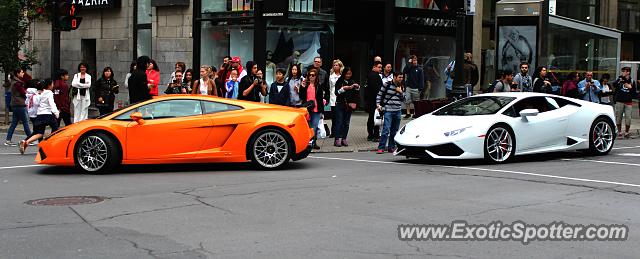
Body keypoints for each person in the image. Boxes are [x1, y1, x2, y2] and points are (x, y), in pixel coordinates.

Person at [19, 79, 59, 155]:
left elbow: (36, 103)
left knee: (40, 133)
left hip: (39, 114)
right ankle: (49, 144)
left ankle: (26, 142)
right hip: (47, 114)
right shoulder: (49, 93)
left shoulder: (38, 94)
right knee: (55, 129)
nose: (53, 85)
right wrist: (56, 112)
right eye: (52, 84)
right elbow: (52, 103)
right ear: (49, 85)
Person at [299, 68, 329, 149]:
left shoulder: (319, 86)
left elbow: (320, 98)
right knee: (307, 127)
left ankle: (313, 142)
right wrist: (302, 87)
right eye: (310, 75)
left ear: (316, 76)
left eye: (313, 75)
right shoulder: (305, 85)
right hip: (307, 108)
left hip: (316, 109)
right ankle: (307, 143)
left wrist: (322, 111)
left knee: (314, 127)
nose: (311, 77)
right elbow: (301, 96)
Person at [377, 72, 405, 154]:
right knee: (386, 129)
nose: (401, 79)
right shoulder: (387, 84)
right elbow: (379, 95)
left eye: (402, 77)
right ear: (395, 77)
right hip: (388, 110)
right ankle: (381, 147)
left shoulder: (401, 86)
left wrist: (400, 92)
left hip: (398, 111)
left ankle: (391, 147)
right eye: (399, 77)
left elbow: (404, 99)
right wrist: (378, 105)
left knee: (394, 130)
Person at [5, 68, 32, 146]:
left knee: (14, 123)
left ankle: (8, 140)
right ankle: (30, 139)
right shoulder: (18, 83)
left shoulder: (15, 82)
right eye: (22, 72)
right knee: (25, 122)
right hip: (20, 104)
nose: (23, 73)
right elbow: (23, 93)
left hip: (15, 104)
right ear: (18, 74)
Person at [334, 67, 360, 147]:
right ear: (344, 73)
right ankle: (337, 139)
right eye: (347, 74)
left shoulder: (352, 81)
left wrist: (357, 88)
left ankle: (344, 139)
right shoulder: (340, 81)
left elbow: (356, 94)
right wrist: (344, 89)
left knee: (346, 123)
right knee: (339, 122)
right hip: (340, 104)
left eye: (350, 74)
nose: (348, 75)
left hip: (349, 106)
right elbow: (336, 93)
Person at [613, 67, 638, 139]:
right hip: (619, 101)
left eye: (624, 71)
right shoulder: (620, 79)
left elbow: (634, 93)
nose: (622, 72)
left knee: (628, 118)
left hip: (628, 101)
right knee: (618, 117)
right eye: (622, 71)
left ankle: (627, 132)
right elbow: (614, 84)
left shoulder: (632, 81)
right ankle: (620, 132)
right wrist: (619, 79)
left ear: (628, 72)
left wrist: (630, 87)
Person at [366, 61, 384, 142]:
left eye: (381, 67)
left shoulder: (370, 75)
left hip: (371, 100)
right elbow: (377, 90)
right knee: (376, 117)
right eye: (379, 67)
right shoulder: (375, 76)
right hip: (375, 101)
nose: (380, 69)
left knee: (372, 117)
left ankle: (371, 134)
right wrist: (379, 102)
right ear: (374, 67)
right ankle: (375, 135)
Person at [328, 59, 344, 138]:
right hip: (333, 97)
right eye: (334, 65)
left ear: (340, 66)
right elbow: (330, 87)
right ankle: (333, 132)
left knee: (340, 116)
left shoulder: (342, 76)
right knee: (334, 116)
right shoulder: (331, 75)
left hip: (340, 96)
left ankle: (340, 131)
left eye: (337, 65)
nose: (335, 66)